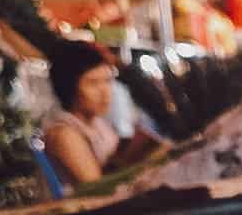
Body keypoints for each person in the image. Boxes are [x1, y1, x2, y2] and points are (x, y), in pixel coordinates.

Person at [43, 43, 157, 188]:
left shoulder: (99, 125)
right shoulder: (64, 134)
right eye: (93, 83)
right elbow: (96, 187)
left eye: (108, 81)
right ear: (69, 87)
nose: (105, 92)